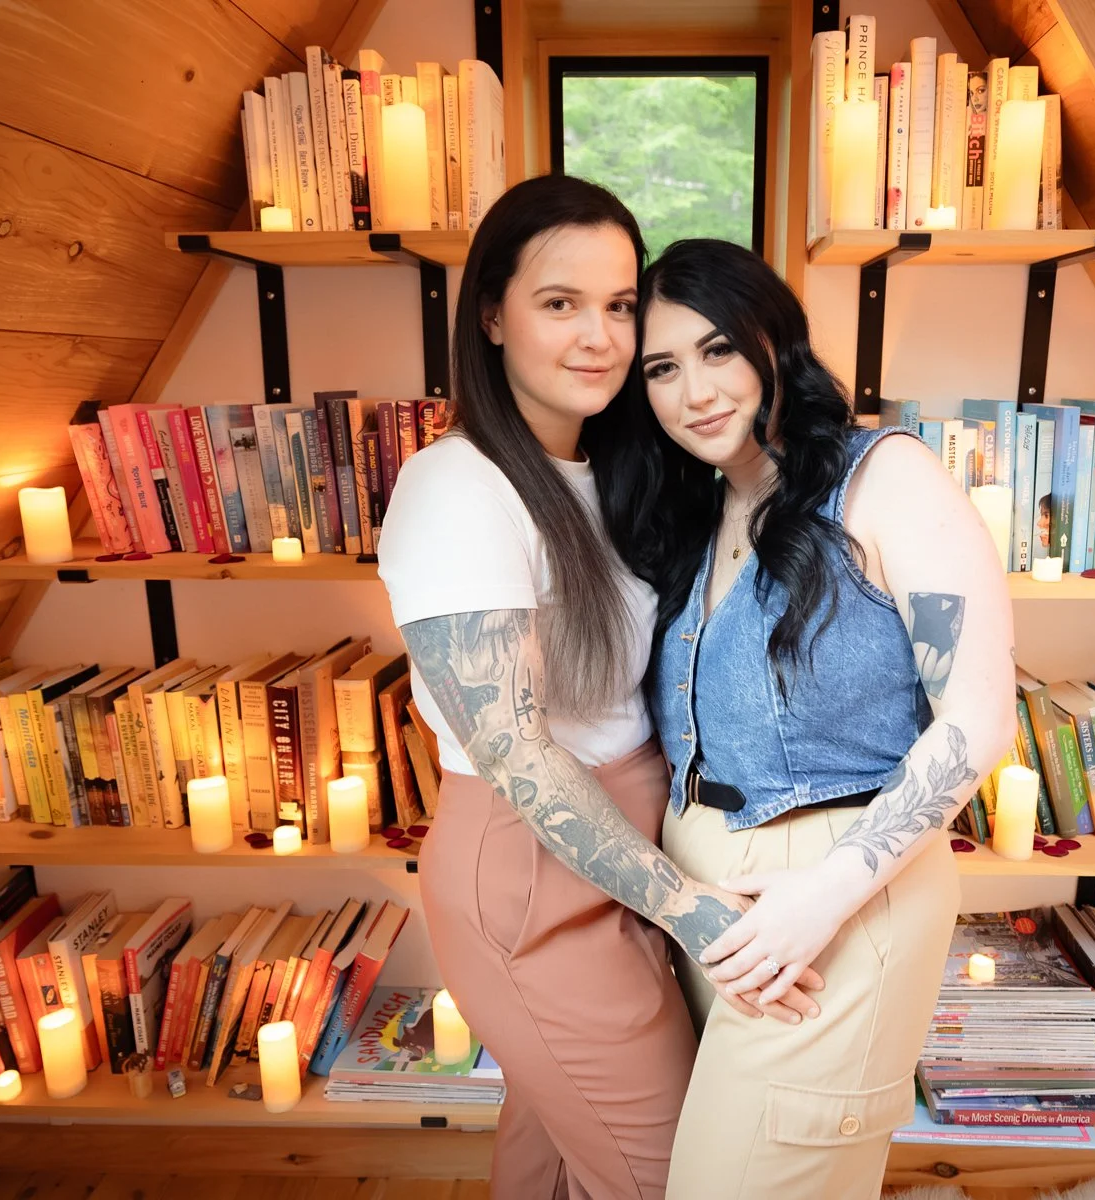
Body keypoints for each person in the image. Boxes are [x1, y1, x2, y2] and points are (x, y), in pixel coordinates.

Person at [377, 178, 820, 1200]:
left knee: (558, 1153)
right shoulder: (457, 486)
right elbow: (518, 755)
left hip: (622, 858)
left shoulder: (608, 467)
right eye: (559, 303)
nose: (600, 337)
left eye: (620, 306)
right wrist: (693, 910)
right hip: (534, 875)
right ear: (491, 313)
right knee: (673, 1176)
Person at [596, 238, 1017, 1198]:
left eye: (717, 351)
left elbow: (980, 714)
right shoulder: (705, 510)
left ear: (773, 342)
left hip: (836, 899)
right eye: (662, 367)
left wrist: (821, 898)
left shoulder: (887, 479)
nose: (693, 389)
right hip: (712, 900)